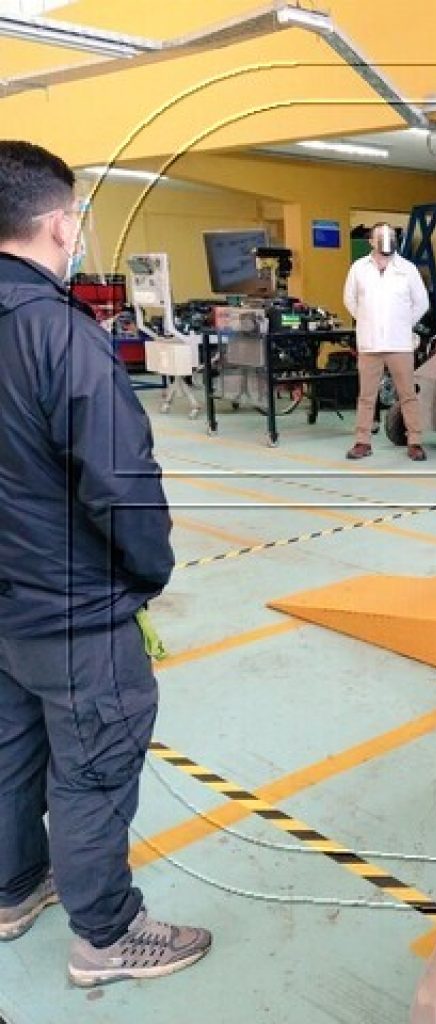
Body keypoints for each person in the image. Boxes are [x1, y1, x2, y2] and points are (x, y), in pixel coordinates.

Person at [0, 141, 211, 985]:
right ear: (61, 223)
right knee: (92, 769)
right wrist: (145, 577)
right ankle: (108, 936)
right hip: (73, 609)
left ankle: (15, 888)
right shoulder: (61, 334)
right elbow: (120, 486)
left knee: (13, 751)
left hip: (7, 610)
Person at [343, 222, 429, 461]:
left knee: (407, 394)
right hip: (369, 344)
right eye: (381, 236)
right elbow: (349, 299)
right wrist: (367, 320)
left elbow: (421, 302)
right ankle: (362, 442)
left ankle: (415, 442)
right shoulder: (359, 268)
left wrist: (402, 323)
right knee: (366, 395)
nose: (386, 240)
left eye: (390, 236)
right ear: (371, 241)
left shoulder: (407, 269)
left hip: (399, 343)